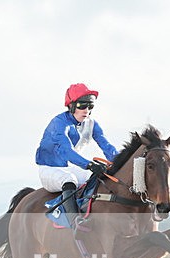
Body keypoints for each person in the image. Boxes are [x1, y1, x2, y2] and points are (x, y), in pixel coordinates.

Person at [35, 83, 119, 233]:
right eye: (82, 105)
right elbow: (66, 151)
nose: (86, 110)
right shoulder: (58, 123)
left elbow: (106, 145)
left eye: (90, 106)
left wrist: (120, 161)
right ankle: (75, 223)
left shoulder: (92, 124)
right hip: (49, 169)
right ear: (71, 105)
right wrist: (89, 165)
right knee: (70, 180)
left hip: (71, 168)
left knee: (100, 179)